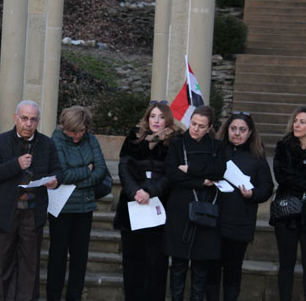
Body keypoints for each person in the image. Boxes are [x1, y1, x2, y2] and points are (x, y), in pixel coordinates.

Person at [0, 100, 62, 301]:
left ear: (38, 121)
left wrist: (55, 181)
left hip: (33, 214)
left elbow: (58, 170)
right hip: (5, 213)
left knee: (30, 267)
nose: (28, 123)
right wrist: (15, 165)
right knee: (1, 266)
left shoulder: (47, 143)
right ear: (16, 118)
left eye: (33, 119)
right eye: (24, 118)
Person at [113, 100, 181, 301]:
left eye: (161, 117)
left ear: (167, 119)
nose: (156, 121)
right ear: (147, 118)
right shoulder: (134, 138)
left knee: (156, 265)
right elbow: (124, 167)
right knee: (133, 263)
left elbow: (171, 174)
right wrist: (136, 191)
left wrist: (149, 192)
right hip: (132, 208)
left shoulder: (175, 141)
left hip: (159, 210)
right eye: (153, 116)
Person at [206, 112, 273, 301]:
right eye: (233, 129)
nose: (237, 133)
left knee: (233, 271)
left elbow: (267, 188)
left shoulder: (257, 156)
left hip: (240, 223)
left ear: (250, 132)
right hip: (215, 220)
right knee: (212, 270)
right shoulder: (216, 150)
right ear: (227, 130)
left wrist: (253, 194)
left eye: (242, 130)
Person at [163, 105, 226, 301]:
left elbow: (217, 172)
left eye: (201, 126)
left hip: (206, 211)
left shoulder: (217, 147)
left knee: (200, 268)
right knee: (178, 266)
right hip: (180, 210)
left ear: (209, 128)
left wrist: (189, 169)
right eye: (193, 123)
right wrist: (201, 180)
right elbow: (172, 174)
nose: (195, 129)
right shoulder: (177, 144)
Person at [46, 106, 107, 301]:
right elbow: (61, 175)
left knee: (80, 259)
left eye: (81, 131)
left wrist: (82, 177)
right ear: (64, 127)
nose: (76, 136)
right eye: (72, 132)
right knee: (58, 257)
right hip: (62, 208)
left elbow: (101, 172)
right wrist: (86, 170)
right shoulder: (55, 140)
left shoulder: (91, 139)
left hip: (85, 207)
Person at [272, 106, 306, 301]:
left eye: (302, 121)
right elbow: (281, 176)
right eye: (296, 121)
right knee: (286, 263)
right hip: (287, 212)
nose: (297, 125)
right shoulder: (284, 146)